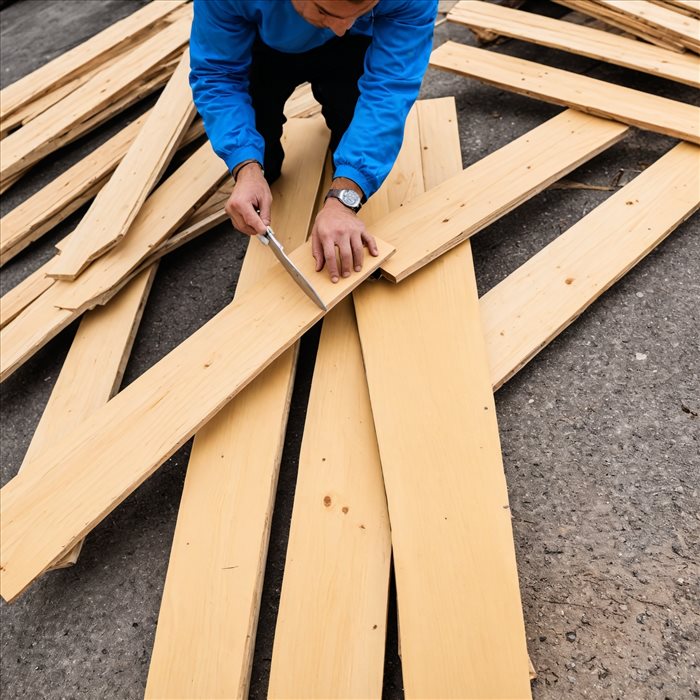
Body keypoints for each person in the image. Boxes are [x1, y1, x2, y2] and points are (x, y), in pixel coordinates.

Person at [189, 0, 437, 282]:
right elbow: (218, 75)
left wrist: (345, 198)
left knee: (352, 130)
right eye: (324, 11)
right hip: (261, 43)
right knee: (262, 161)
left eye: (362, 10)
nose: (341, 28)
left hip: (354, 48)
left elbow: (390, 88)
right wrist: (245, 166)